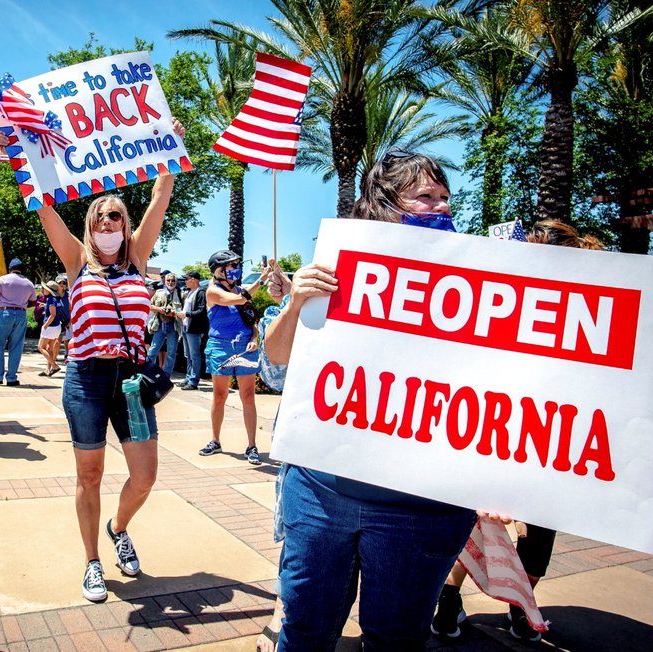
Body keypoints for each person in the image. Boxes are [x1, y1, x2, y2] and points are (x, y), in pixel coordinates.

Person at [262, 152, 483, 651]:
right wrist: (296, 302)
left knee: (396, 640)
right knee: (305, 632)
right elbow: (276, 368)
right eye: (426, 197)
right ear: (384, 202)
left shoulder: (477, 283)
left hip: (423, 508)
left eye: (445, 197)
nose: (441, 206)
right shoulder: (334, 270)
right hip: (322, 495)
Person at [431, 218, 604, 644]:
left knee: (538, 536)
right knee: (469, 525)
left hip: (548, 443)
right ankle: (448, 599)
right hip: (488, 438)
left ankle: (520, 603)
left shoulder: (588, 311)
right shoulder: (498, 301)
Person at [34, 118, 184, 602]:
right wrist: (25, 153)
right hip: (86, 380)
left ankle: (118, 529)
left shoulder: (138, 258)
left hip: (132, 384)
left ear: (126, 223)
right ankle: (92, 562)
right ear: (89, 225)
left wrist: (169, 144)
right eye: (100, 217)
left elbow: (161, 195)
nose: (107, 224)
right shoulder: (77, 262)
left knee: (144, 476)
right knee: (90, 475)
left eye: (116, 216)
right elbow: (44, 207)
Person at [197, 250, 266, 465]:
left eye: (235, 265)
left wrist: (255, 336)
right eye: (229, 266)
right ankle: (215, 440)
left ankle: (252, 445)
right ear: (218, 270)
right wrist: (261, 280)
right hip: (220, 346)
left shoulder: (240, 290)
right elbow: (237, 300)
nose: (234, 270)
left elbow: (251, 320)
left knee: (248, 396)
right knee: (220, 395)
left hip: (245, 346)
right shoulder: (212, 292)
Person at [0, 257, 36, 386]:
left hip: (4, 313)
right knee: (16, 347)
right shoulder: (29, 283)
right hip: (21, 314)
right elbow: (33, 302)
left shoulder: (2, 280)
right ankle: (11, 378)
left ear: (10, 268)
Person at [147, 272, 184, 375]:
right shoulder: (158, 293)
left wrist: (174, 313)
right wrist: (160, 309)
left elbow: (184, 311)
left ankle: (166, 376)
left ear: (176, 282)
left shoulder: (181, 294)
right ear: (165, 281)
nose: (170, 282)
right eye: (168, 280)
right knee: (153, 350)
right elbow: (150, 306)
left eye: (173, 280)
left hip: (174, 325)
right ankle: (147, 373)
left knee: (171, 352)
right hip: (160, 324)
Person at [177, 270, 207, 390]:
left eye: (187, 279)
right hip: (186, 326)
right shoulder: (190, 292)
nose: (185, 281)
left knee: (194, 355)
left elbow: (202, 311)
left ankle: (193, 381)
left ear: (194, 279)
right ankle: (189, 378)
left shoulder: (201, 293)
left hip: (194, 328)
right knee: (188, 355)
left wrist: (186, 314)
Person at [37, 280, 62, 376]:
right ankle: (49, 369)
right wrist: (45, 305)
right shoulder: (56, 299)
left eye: (45, 289)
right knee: (49, 348)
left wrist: (45, 325)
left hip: (50, 327)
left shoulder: (51, 300)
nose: (43, 290)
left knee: (41, 347)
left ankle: (54, 366)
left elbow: (53, 314)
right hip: (56, 327)